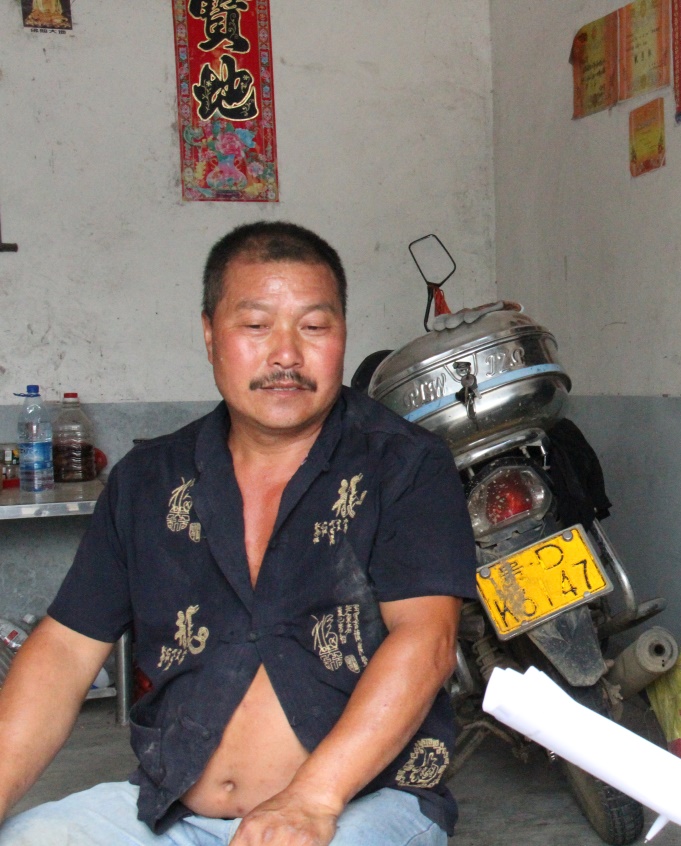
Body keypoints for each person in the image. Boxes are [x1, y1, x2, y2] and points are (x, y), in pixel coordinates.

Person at [0, 221, 477, 845]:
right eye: (255, 326)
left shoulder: (404, 465)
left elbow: (427, 639)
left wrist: (311, 799)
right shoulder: (148, 479)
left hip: (356, 806)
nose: (286, 355)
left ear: (342, 334)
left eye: (314, 326)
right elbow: (64, 651)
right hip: (171, 811)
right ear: (209, 335)